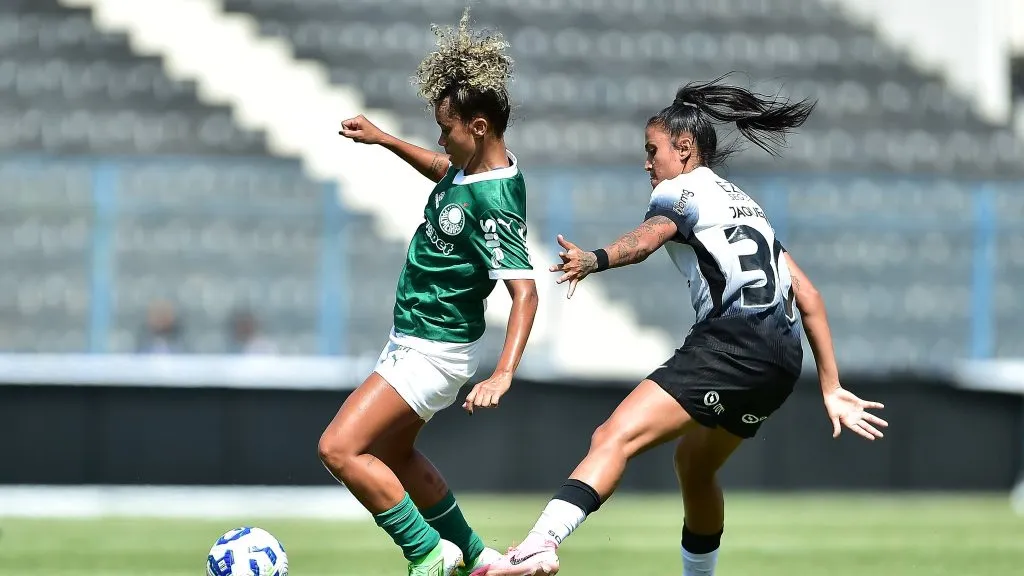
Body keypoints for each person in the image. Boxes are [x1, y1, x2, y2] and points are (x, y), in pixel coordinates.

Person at [474, 77, 889, 576]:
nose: (647, 163)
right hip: (782, 360)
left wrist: (595, 259)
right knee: (695, 464)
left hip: (731, 346)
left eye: (653, 151)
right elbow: (810, 296)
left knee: (614, 436)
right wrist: (832, 387)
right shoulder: (745, 206)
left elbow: (648, 239)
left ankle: (541, 543)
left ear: (685, 148)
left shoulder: (679, 192)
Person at [324, 9, 538, 576]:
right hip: (419, 340)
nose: (440, 138)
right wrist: (384, 139)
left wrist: (504, 373)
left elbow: (524, 293)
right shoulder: (472, 169)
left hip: (432, 347)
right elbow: (445, 168)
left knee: (340, 448)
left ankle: (426, 552)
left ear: (479, 126)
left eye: (446, 126)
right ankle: (478, 558)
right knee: (395, 454)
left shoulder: (495, 200)